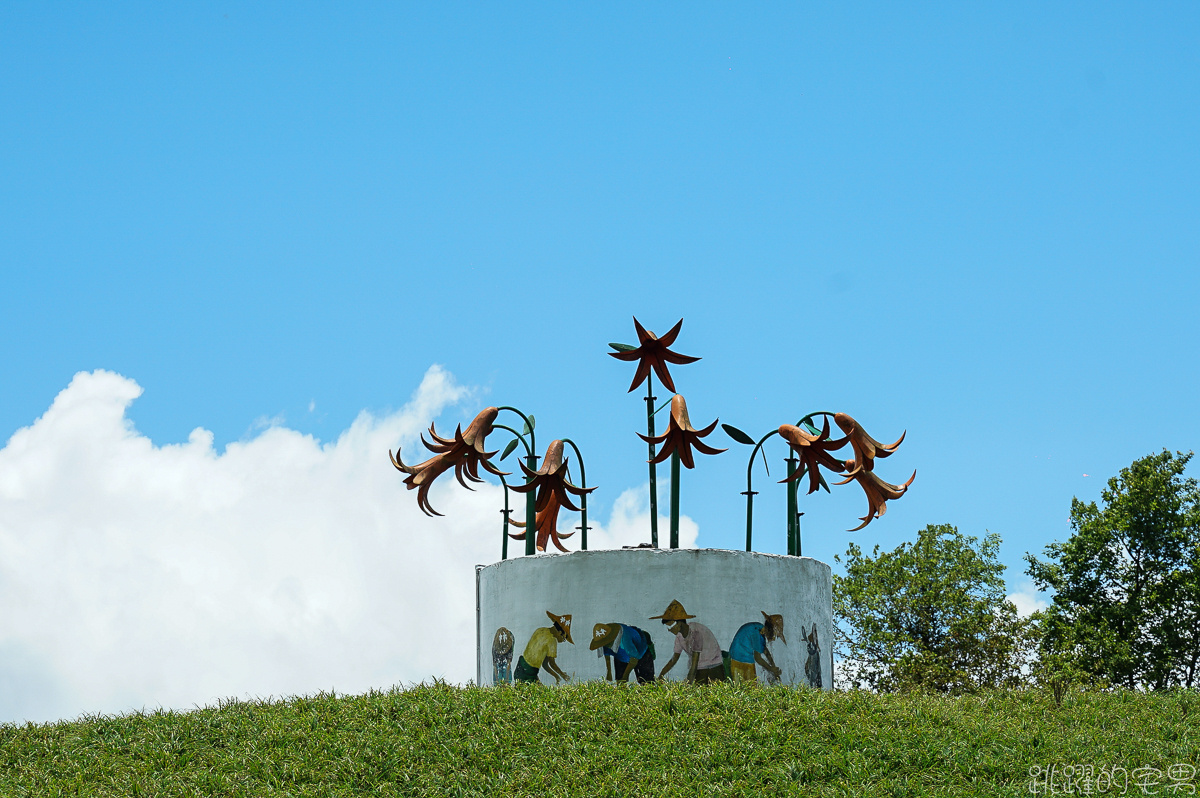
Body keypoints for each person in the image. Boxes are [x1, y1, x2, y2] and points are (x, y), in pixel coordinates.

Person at [651, 600, 726, 683]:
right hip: (699, 668)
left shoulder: (696, 632)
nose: (669, 630)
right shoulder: (679, 637)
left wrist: (688, 684)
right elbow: (674, 659)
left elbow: (694, 663)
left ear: (679, 624)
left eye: (670, 626)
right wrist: (661, 675)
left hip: (713, 667)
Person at [514, 611, 574, 684]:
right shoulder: (552, 641)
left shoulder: (541, 630)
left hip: (520, 667)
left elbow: (545, 664)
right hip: (529, 673)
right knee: (538, 693)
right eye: (563, 638)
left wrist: (556, 676)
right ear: (559, 633)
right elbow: (552, 664)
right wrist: (562, 675)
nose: (561, 641)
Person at [728, 612, 785, 684]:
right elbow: (758, 658)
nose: (773, 638)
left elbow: (765, 651)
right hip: (739, 660)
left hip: (746, 659)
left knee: (751, 686)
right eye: (774, 634)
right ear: (770, 630)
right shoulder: (756, 633)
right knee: (746, 687)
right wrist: (771, 669)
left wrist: (773, 666)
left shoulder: (760, 629)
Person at [590, 622, 655, 684]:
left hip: (640, 651)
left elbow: (634, 659)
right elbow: (607, 654)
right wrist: (609, 672)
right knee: (620, 680)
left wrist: (625, 676)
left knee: (646, 681)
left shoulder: (625, 639)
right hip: (621, 655)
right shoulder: (603, 639)